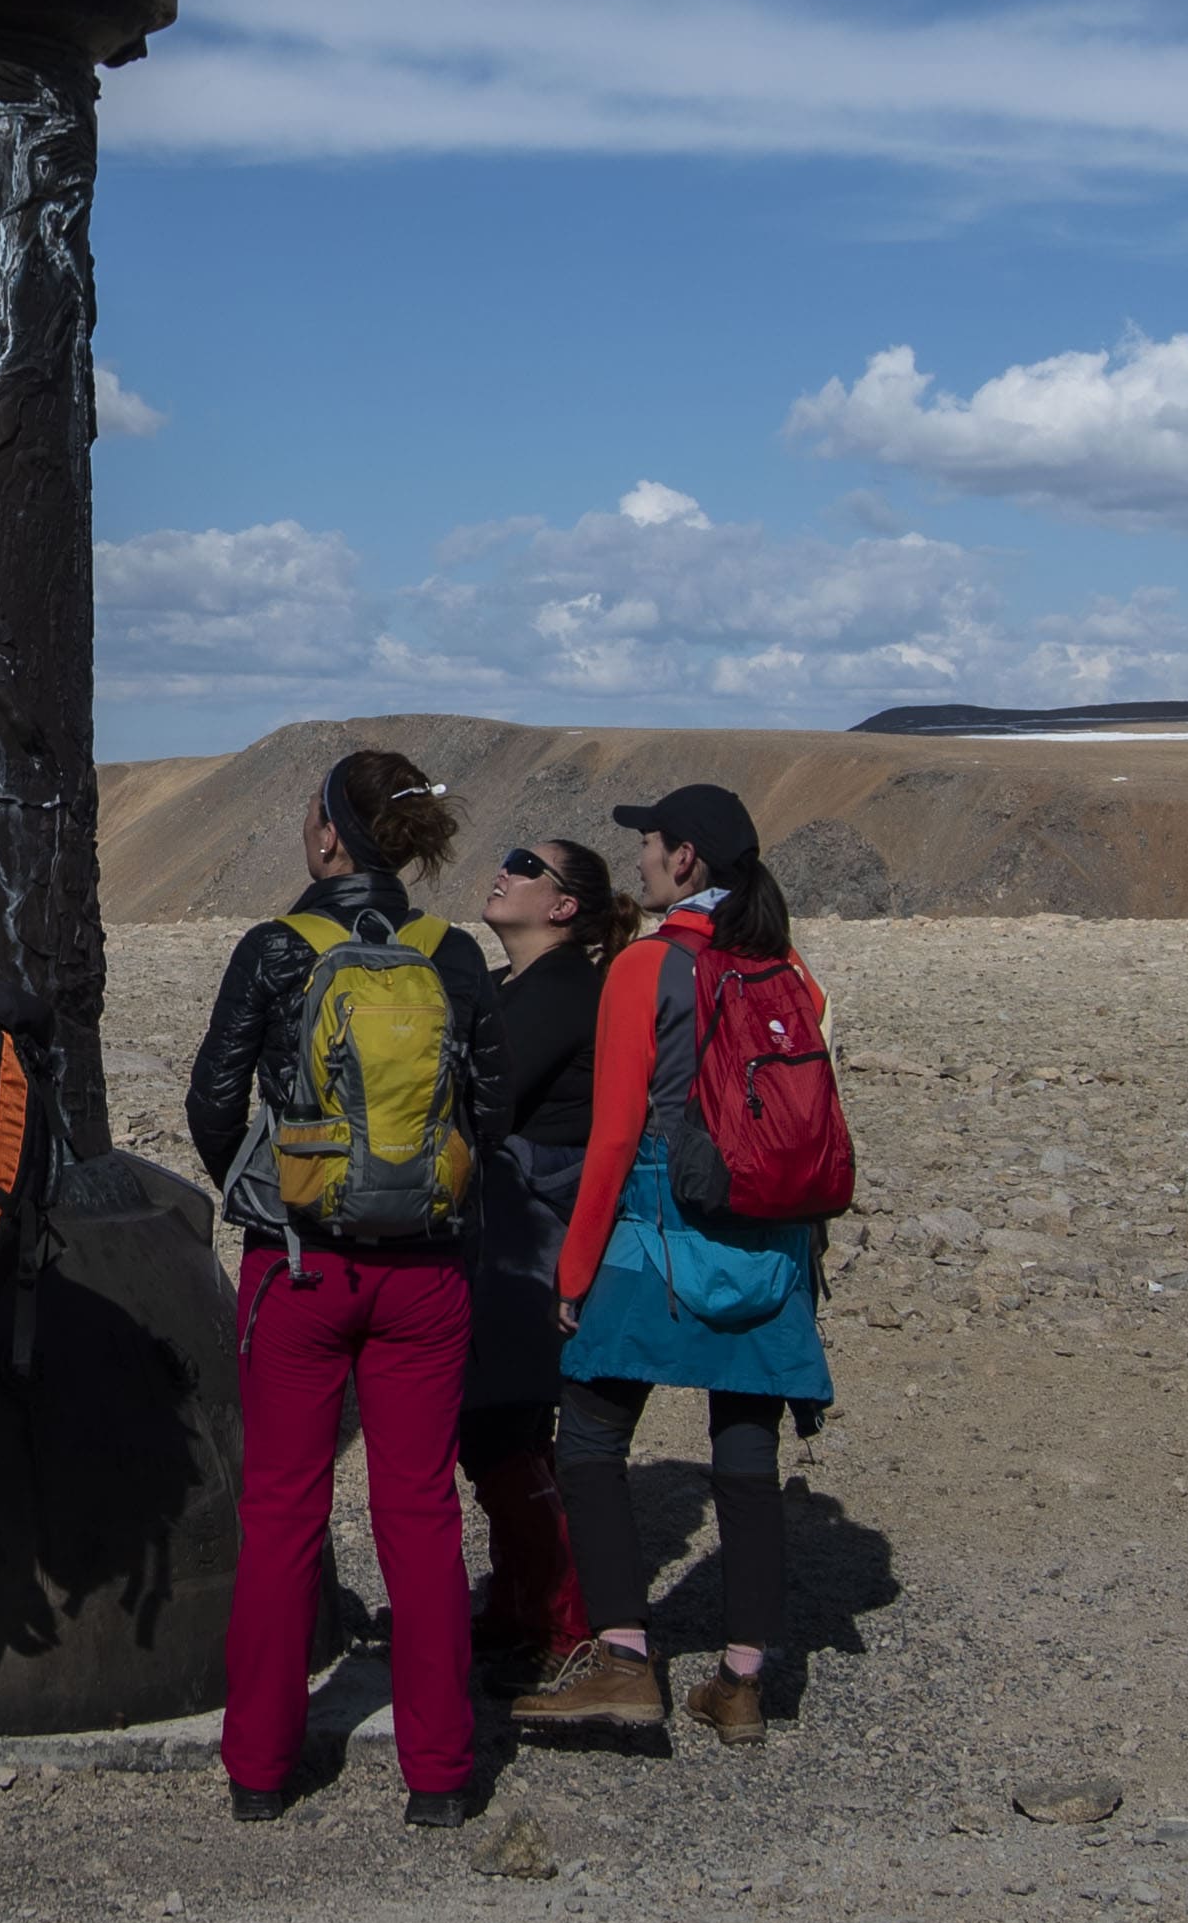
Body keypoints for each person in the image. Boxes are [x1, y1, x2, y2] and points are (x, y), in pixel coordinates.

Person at [182, 746, 500, 1828]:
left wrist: (275, 1194)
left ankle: (262, 1765)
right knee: (419, 1511)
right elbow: (486, 1111)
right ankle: (441, 1771)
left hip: (301, 1265)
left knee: (280, 1508)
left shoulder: (277, 947)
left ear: (329, 836)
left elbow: (214, 1100)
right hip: (427, 1276)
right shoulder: (451, 953)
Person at [513, 783, 839, 1753]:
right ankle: (741, 1682)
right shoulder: (787, 966)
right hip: (767, 1237)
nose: (643, 861)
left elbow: (613, 1134)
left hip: (653, 1228)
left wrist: (573, 1275)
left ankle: (622, 1657)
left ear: (687, 859)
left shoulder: (643, 967)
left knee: (592, 1433)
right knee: (745, 1448)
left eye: (651, 845)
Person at [456, 831, 625, 1687]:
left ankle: (565, 1628)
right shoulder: (515, 983)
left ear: (562, 907)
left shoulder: (564, 989)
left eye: (526, 865)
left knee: (499, 1422)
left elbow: (488, 1095)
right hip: (509, 1222)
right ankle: (524, 1606)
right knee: (506, 1422)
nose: (505, 867)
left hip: (529, 1229)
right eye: (508, 854)